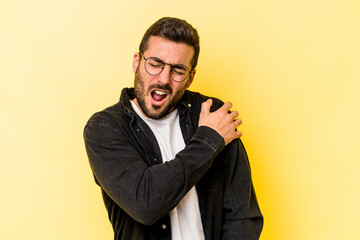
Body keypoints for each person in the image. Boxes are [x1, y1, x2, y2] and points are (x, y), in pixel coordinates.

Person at [84, 17, 263, 240]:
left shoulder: (214, 116)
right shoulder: (105, 128)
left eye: (178, 70)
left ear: (190, 78)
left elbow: (241, 216)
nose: (163, 79)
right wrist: (208, 141)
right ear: (136, 62)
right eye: (155, 64)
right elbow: (145, 204)